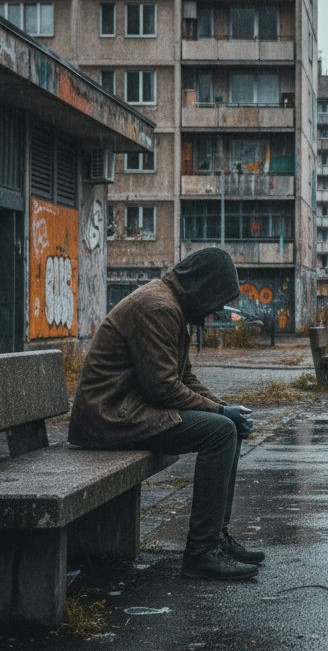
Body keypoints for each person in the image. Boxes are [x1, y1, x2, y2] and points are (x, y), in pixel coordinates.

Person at [70, 247, 264, 580]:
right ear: (204, 287)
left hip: (128, 410)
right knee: (220, 431)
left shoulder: (172, 305)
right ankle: (202, 552)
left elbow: (183, 377)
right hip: (110, 416)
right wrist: (219, 411)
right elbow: (162, 388)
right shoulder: (158, 308)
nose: (217, 310)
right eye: (217, 300)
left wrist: (223, 409)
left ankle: (215, 537)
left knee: (227, 427)